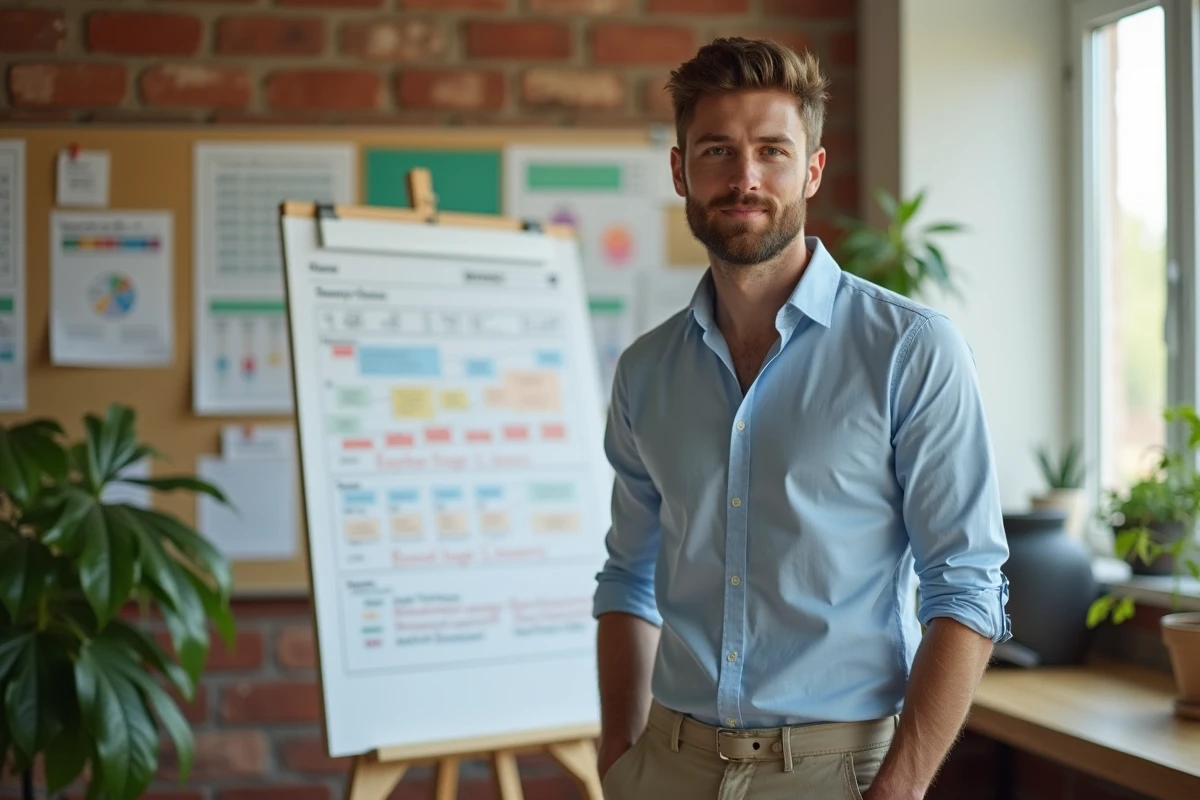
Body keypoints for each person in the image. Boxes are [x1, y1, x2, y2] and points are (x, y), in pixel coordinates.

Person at [592, 37, 1011, 800]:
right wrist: (618, 754)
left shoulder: (910, 351)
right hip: (665, 765)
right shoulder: (646, 372)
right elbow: (629, 575)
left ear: (812, 170)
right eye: (717, 150)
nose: (744, 178)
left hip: (836, 772)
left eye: (772, 152)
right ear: (681, 169)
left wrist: (900, 787)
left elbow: (967, 586)